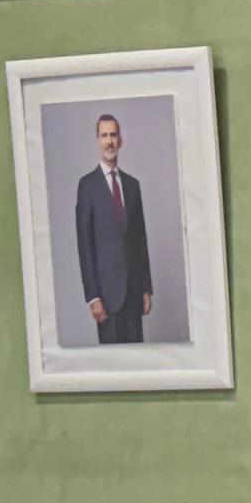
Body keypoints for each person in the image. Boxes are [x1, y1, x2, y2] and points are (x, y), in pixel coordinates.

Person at [74, 113, 152, 344]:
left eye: (113, 135)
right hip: (106, 297)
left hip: (134, 292)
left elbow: (140, 240)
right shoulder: (87, 186)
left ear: (121, 140)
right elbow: (84, 246)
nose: (109, 141)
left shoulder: (132, 185)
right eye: (104, 135)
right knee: (113, 364)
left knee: (138, 364)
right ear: (98, 140)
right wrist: (93, 297)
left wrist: (146, 288)